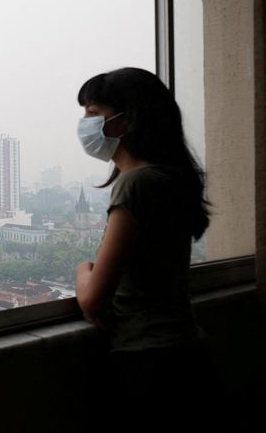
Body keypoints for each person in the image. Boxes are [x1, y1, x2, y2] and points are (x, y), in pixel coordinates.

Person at [73, 68, 225, 431]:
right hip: (186, 349)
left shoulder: (136, 184)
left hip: (148, 362)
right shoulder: (170, 178)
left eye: (93, 113)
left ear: (128, 120)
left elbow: (93, 300)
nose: (84, 125)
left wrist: (82, 270)